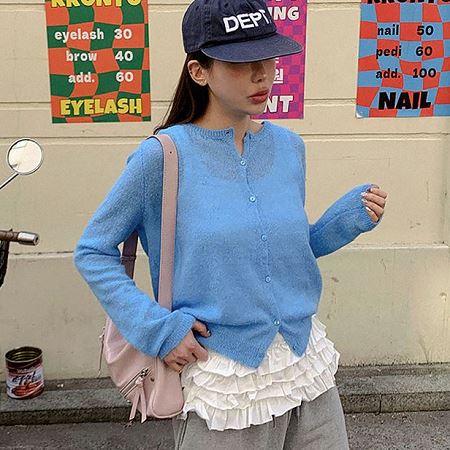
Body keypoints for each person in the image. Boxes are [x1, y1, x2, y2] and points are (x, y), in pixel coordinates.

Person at [73, 0, 388, 448]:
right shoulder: (162, 157)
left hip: (306, 367)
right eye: (241, 63)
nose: (263, 74)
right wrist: (159, 330)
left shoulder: (289, 148)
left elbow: (278, 254)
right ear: (199, 72)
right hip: (222, 381)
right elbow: (93, 250)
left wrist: (344, 222)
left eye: (269, 58)